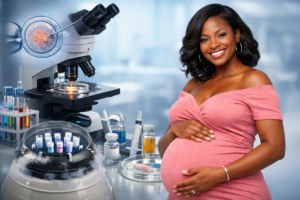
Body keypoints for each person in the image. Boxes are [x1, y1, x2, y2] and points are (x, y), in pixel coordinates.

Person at [158, 4, 285, 200]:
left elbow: (275, 148)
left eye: (221, 35)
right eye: (204, 39)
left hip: (234, 192)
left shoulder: (253, 79)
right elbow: (163, 150)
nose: (213, 45)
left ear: (236, 35)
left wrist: (219, 175)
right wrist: (175, 130)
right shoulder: (192, 85)